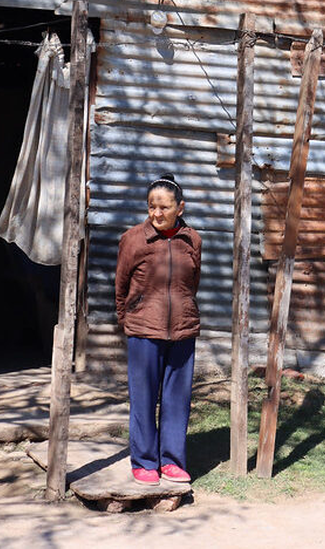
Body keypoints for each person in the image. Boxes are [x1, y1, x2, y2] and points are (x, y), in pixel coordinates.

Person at [115, 173, 202, 486]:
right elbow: (121, 285)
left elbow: (192, 282)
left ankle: (172, 461)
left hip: (182, 330)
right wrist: (129, 318)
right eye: (152, 206)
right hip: (143, 331)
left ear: (180, 208)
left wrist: (183, 309)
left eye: (164, 207)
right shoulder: (133, 239)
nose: (156, 213)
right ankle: (144, 461)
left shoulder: (192, 240)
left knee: (177, 400)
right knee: (144, 398)